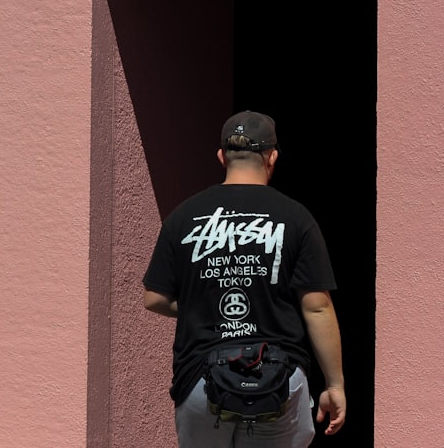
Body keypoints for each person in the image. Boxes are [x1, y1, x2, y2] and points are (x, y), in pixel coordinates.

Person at [142, 111, 346, 447]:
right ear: (273, 157)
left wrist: (202, 305)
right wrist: (334, 384)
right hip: (278, 381)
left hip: (201, 380)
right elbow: (318, 308)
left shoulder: (183, 217)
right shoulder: (296, 217)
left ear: (222, 156)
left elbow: (155, 298)